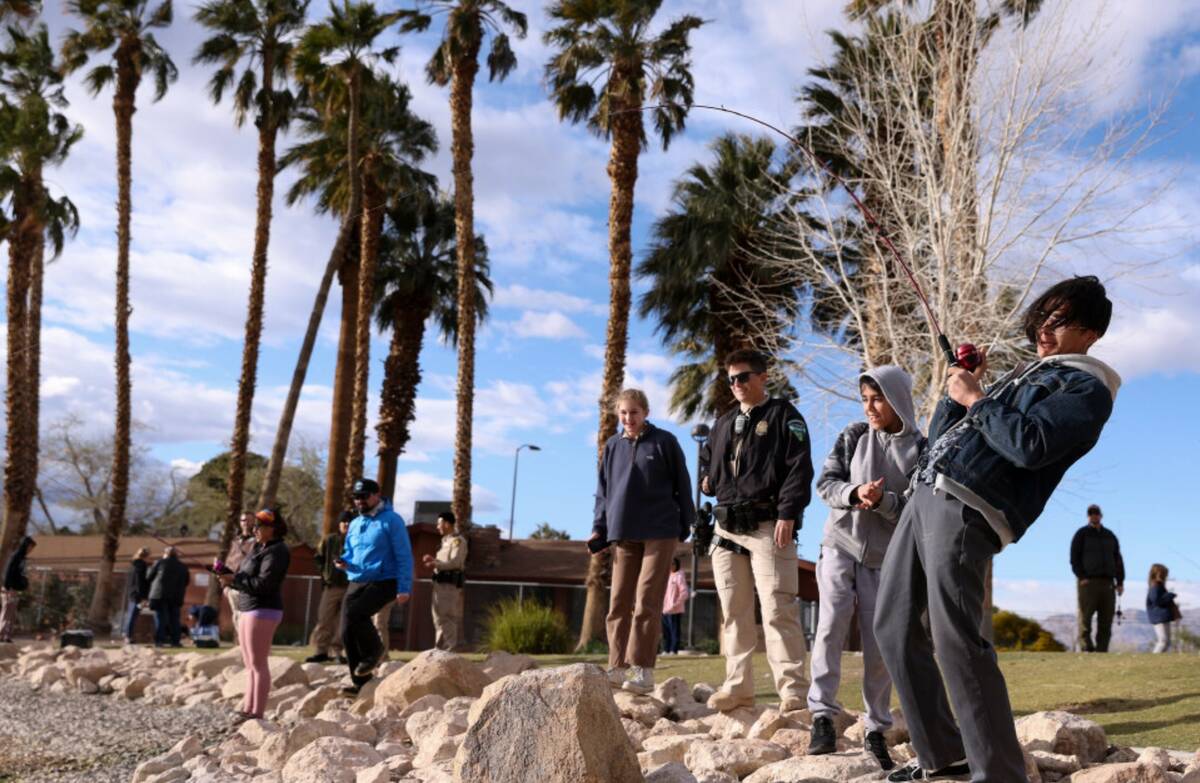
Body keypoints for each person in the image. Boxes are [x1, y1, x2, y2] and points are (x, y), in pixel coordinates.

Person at [875, 276, 1120, 783]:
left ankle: (1000, 773)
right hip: (925, 493)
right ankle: (945, 758)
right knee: (892, 626)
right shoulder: (1023, 375)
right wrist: (959, 390)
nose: (1045, 330)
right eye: (1042, 319)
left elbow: (1031, 444)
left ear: (1091, 333)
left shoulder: (1086, 387)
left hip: (967, 508)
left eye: (1060, 321)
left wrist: (978, 400)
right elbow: (940, 441)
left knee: (956, 637)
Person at [808, 366, 924, 768]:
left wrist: (884, 501)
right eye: (865, 399)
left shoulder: (921, 449)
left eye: (878, 399)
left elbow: (915, 508)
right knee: (831, 623)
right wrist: (855, 493)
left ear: (897, 399)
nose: (870, 407)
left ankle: (876, 728)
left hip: (885, 559)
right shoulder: (853, 435)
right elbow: (825, 484)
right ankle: (822, 715)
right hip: (839, 543)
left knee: (880, 645)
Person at [699, 349, 813, 712]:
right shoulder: (723, 422)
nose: (736, 385)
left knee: (778, 608)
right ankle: (737, 688)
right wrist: (707, 479)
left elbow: (799, 468)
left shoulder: (784, 416)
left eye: (743, 377)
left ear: (763, 377)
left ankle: (794, 690)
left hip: (768, 526)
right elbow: (708, 460)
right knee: (733, 611)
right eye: (731, 379)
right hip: (726, 528)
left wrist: (788, 514)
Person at [591, 388, 694, 695]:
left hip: (660, 531)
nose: (628, 418)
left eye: (634, 412)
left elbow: (683, 485)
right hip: (622, 531)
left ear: (646, 412)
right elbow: (602, 491)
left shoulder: (665, 442)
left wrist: (684, 524)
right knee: (619, 602)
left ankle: (642, 670)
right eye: (623, 413)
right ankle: (616, 666)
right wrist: (599, 527)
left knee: (647, 601)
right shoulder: (612, 446)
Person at [337, 478, 413, 694]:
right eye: (356, 497)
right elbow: (351, 552)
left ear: (377, 495)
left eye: (364, 496)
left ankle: (375, 650)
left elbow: (404, 555)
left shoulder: (392, 520)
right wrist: (344, 562)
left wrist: (404, 587)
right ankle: (360, 683)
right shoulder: (355, 523)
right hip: (357, 578)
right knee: (346, 630)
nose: (359, 501)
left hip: (385, 580)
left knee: (356, 613)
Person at [217, 508, 291, 720]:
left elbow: (264, 584)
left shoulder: (277, 551)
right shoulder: (258, 547)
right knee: (249, 664)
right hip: (247, 607)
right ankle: (247, 709)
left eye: (260, 527)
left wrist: (235, 581)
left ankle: (257, 712)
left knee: (258, 664)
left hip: (263, 609)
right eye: (255, 526)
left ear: (273, 528)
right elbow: (245, 574)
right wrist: (229, 575)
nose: (255, 530)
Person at [1070, 504, 1124, 653]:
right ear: (1088, 516)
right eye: (1091, 513)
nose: (1094, 516)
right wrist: (1081, 576)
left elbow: (1118, 559)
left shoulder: (1110, 535)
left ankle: (1102, 651)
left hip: (1108, 583)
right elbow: (1074, 557)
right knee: (1085, 618)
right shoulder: (1081, 534)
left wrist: (1120, 582)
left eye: (1096, 513)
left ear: (1101, 515)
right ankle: (1087, 648)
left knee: (1106, 620)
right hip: (1088, 583)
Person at [307, 511, 351, 664]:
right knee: (324, 617)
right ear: (339, 524)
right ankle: (321, 650)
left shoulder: (357, 540)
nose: (346, 524)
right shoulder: (329, 540)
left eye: (349, 521)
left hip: (350, 585)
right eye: (343, 521)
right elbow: (318, 558)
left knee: (342, 620)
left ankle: (338, 651)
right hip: (331, 586)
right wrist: (325, 574)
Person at [422, 511, 468, 651]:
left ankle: (449, 649)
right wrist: (433, 561)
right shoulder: (445, 541)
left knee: (446, 616)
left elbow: (455, 562)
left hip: (449, 585)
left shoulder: (458, 541)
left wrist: (436, 564)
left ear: (447, 524)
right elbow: (445, 561)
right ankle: (440, 649)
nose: (437, 527)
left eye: (439, 523)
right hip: (439, 584)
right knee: (438, 617)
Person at [147, 546, 190, 647]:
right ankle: (175, 641)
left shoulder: (160, 563)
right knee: (174, 619)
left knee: (160, 618)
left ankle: (159, 641)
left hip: (160, 595)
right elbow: (186, 581)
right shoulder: (183, 566)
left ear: (165, 554)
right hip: (176, 596)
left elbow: (149, 577)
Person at [224, 512, 257, 643]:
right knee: (236, 616)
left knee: (247, 618)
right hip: (232, 587)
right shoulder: (236, 541)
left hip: (248, 586)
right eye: (243, 520)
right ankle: (240, 646)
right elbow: (229, 562)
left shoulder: (258, 541)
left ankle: (249, 646)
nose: (246, 523)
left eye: (249, 520)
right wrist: (225, 585)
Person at [1, 536, 36, 644]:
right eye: (30, 547)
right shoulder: (15, 556)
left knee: (12, 613)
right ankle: (1, 633)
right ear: (25, 545)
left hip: (15, 589)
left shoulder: (23, 558)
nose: (31, 550)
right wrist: (8, 588)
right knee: (7, 612)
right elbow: (8, 573)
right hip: (9, 589)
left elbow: (20, 574)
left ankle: (7, 635)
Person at [1146, 564, 1178, 654]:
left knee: (1166, 642)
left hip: (1162, 617)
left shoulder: (1159, 586)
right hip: (1159, 618)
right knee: (1163, 641)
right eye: (1165, 575)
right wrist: (1170, 595)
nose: (1166, 577)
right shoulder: (1155, 586)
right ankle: (1153, 660)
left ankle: (1157, 660)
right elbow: (1157, 601)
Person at [122, 547, 151, 644]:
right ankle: (128, 636)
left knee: (131, 615)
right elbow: (140, 582)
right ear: (146, 556)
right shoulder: (141, 566)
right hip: (138, 594)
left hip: (132, 593)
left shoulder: (133, 565)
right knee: (133, 615)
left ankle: (128, 635)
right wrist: (143, 597)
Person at [661, 558, 689, 655]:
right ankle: (666, 649)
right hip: (664, 609)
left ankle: (673, 650)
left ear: (677, 565)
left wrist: (675, 604)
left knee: (674, 631)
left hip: (674, 610)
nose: (671, 566)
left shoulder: (679, 576)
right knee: (665, 632)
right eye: (669, 563)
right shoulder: (665, 576)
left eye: (673, 564)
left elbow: (684, 593)